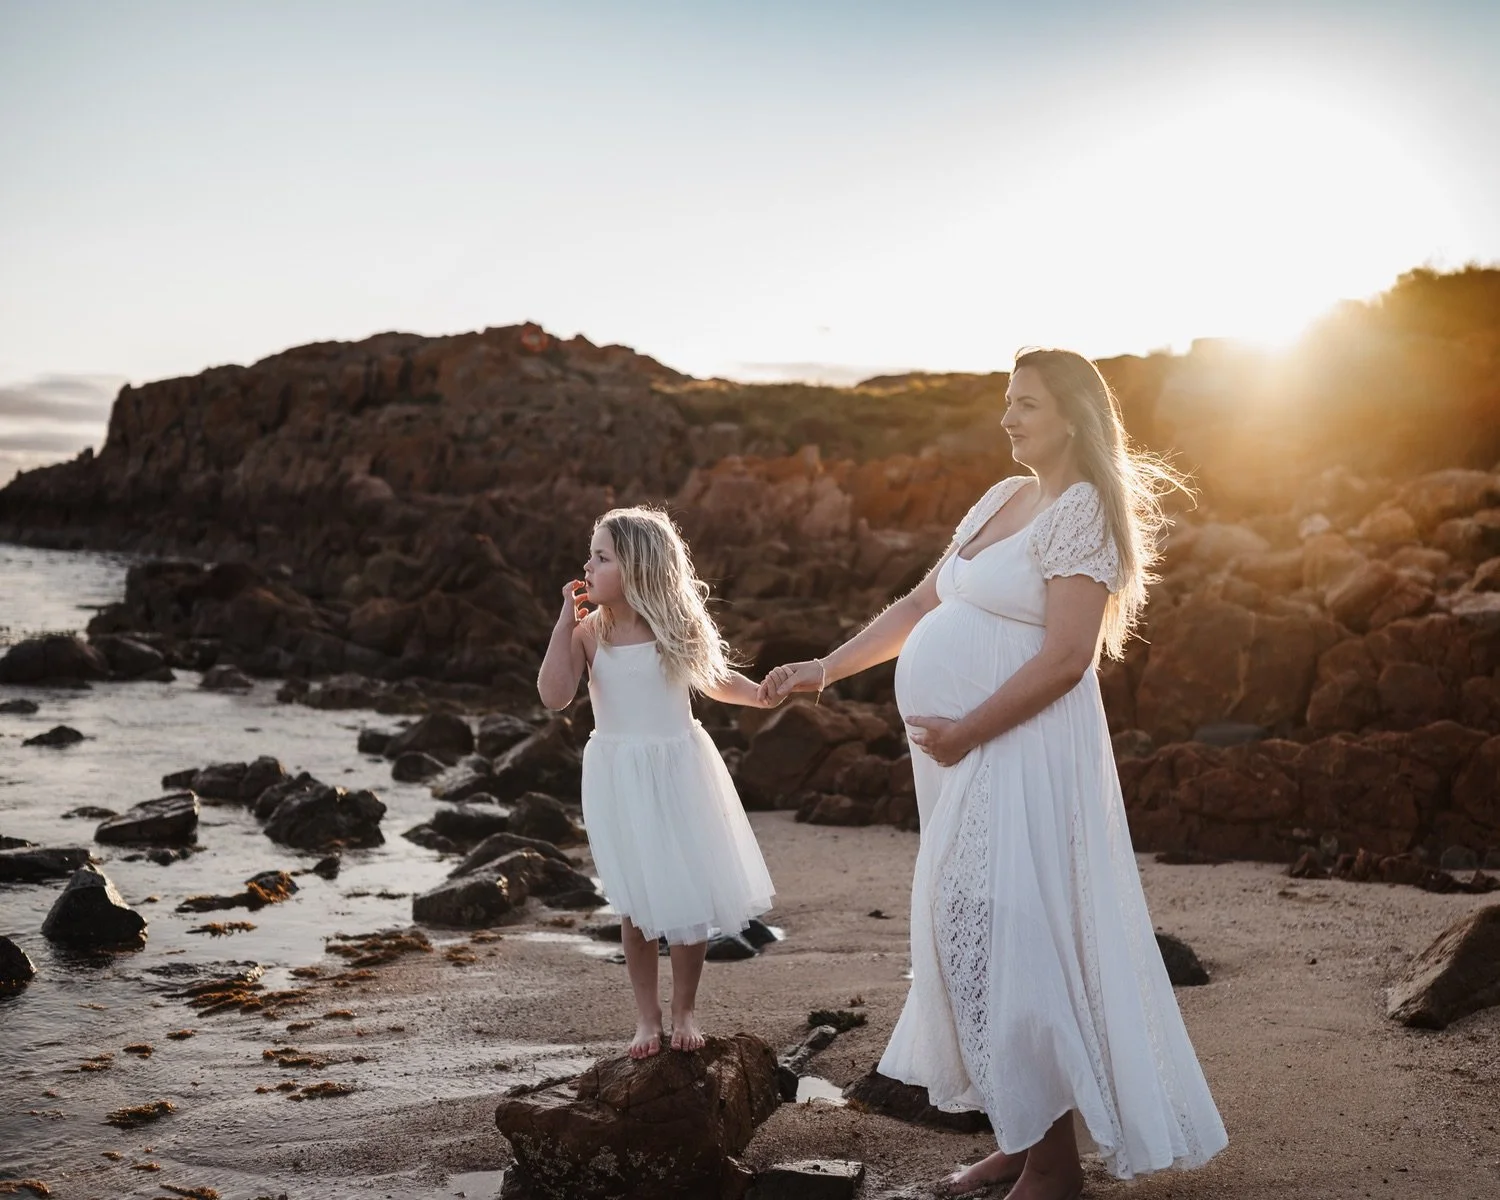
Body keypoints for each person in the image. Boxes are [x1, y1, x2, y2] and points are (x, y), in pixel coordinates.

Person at [761, 348, 1227, 1198]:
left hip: (1020, 751)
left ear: (1076, 418)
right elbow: (916, 608)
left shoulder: (1083, 511)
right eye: (1008, 402)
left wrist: (968, 731)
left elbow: (1067, 658)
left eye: (1029, 406)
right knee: (968, 933)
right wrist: (821, 669)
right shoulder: (1002, 499)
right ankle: (1019, 1136)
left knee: (1009, 940)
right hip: (961, 758)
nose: (1008, 419)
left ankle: (1052, 1170)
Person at [537, 505, 777, 1058]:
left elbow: (717, 680)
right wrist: (562, 624)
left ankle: (684, 1010)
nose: (588, 566)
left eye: (602, 557)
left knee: (687, 895)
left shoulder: (675, 628)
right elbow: (554, 696)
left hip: (678, 768)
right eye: (591, 556)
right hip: (619, 777)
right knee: (636, 903)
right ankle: (647, 1019)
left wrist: (760, 692)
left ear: (638, 567)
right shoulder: (588, 634)